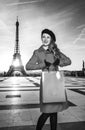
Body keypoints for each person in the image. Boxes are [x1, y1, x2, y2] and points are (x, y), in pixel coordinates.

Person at [26, 29, 71, 130]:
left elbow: (68, 61)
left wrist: (58, 62)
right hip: (47, 83)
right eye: (43, 36)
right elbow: (28, 66)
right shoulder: (37, 52)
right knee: (46, 112)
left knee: (54, 112)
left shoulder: (56, 51)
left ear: (51, 39)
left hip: (56, 82)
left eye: (48, 37)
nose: (45, 39)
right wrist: (43, 64)